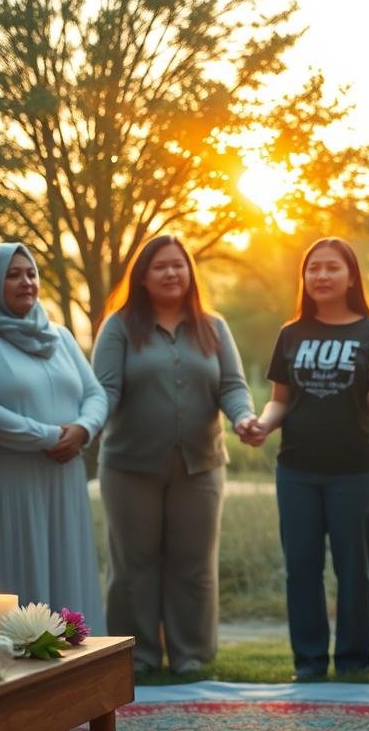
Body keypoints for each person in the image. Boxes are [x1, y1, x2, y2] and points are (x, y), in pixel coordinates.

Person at [92, 235, 257, 675]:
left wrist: (243, 419)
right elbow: (104, 388)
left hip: (200, 465)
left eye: (178, 266)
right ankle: (138, 655)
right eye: (160, 266)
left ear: (189, 273)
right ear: (143, 277)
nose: (171, 273)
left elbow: (233, 387)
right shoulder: (120, 326)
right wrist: (88, 425)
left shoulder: (213, 326)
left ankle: (192, 655)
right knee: (133, 565)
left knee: (194, 564)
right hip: (129, 466)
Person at [250, 238, 369, 681]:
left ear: (351, 276)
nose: (322, 276)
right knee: (302, 570)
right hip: (297, 471)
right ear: (304, 278)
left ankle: (354, 662)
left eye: (332, 268)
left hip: (356, 470)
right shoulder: (291, 334)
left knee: (354, 571)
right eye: (314, 269)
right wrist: (261, 424)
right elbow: (280, 401)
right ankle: (308, 663)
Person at [0, 243, 107, 630]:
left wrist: (83, 429)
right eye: (13, 274)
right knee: (14, 578)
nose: (27, 281)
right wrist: (51, 435)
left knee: (66, 572)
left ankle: (73, 668)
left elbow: (96, 393)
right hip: (6, 482)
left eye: (31, 273)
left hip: (62, 478)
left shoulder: (61, 337)